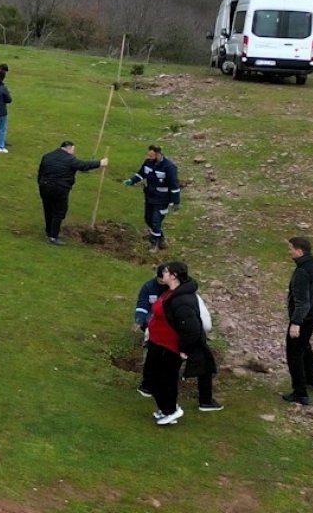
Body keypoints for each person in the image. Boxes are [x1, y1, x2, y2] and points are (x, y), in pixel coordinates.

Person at [143, 261, 218, 425]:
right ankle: (166, 408)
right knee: (153, 376)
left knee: (164, 378)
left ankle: (170, 410)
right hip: (157, 342)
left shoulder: (182, 299)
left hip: (168, 346)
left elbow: (191, 328)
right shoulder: (169, 292)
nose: (163, 273)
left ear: (174, 276)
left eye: (167, 271)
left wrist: (184, 349)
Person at [283, 236, 313, 406]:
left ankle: (300, 393)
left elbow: (302, 302)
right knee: (305, 346)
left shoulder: (302, 272)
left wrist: (296, 323)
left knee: (294, 353)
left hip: (304, 318)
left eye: (291, 248)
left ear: (299, 251)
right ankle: (312, 379)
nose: (289, 251)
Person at [37, 141, 108, 245]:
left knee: (48, 209)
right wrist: (100, 163)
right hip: (60, 188)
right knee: (59, 212)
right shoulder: (70, 159)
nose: (73, 153)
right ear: (69, 148)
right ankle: (53, 237)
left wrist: (40, 183)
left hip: (44, 186)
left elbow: (40, 172)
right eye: (73, 150)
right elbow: (83, 166)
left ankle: (49, 232)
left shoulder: (47, 156)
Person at [123, 145, 181, 251]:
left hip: (162, 199)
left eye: (152, 156)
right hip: (150, 196)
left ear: (158, 154)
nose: (149, 158)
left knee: (156, 220)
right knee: (148, 219)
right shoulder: (148, 163)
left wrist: (175, 202)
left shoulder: (169, 167)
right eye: (148, 155)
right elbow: (141, 174)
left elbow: (174, 185)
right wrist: (131, 180)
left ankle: (154, 244)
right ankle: (161, 239)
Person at [132, 270, 167, 397]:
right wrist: (139, 321)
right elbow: (142, 305)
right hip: (151, 320)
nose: (163, 282)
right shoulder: (148, 287)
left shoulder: (174, 288)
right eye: (160, 279)